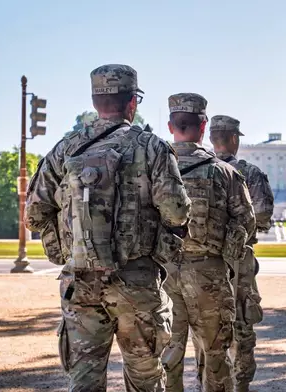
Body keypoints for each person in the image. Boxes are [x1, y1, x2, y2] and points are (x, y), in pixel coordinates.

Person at [24, 64, 191, 391]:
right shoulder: (152, 147)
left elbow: (34, 213)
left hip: (81, 282)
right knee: (144, 379)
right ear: (133, 102)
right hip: (138, 280)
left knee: (84, 379)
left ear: (95, 100)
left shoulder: (66, 148)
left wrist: (65, 249)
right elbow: (177, 210)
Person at [161, 94, 256, 392]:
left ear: (170, 125)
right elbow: (247, 221)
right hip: (209, 273)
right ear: (203, 128)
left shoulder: (153, 169)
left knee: (168, 353)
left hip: (162, 274)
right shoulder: (224, 172)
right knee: (216, 354)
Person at [207, 114, 274, 392]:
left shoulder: (194, 169)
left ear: (212, 138)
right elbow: (262, 215)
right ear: (234, 139)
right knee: (242, 324)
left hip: (201, 262)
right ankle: (240, 384)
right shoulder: (250, 173)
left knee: (206, 327)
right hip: (239, 262)